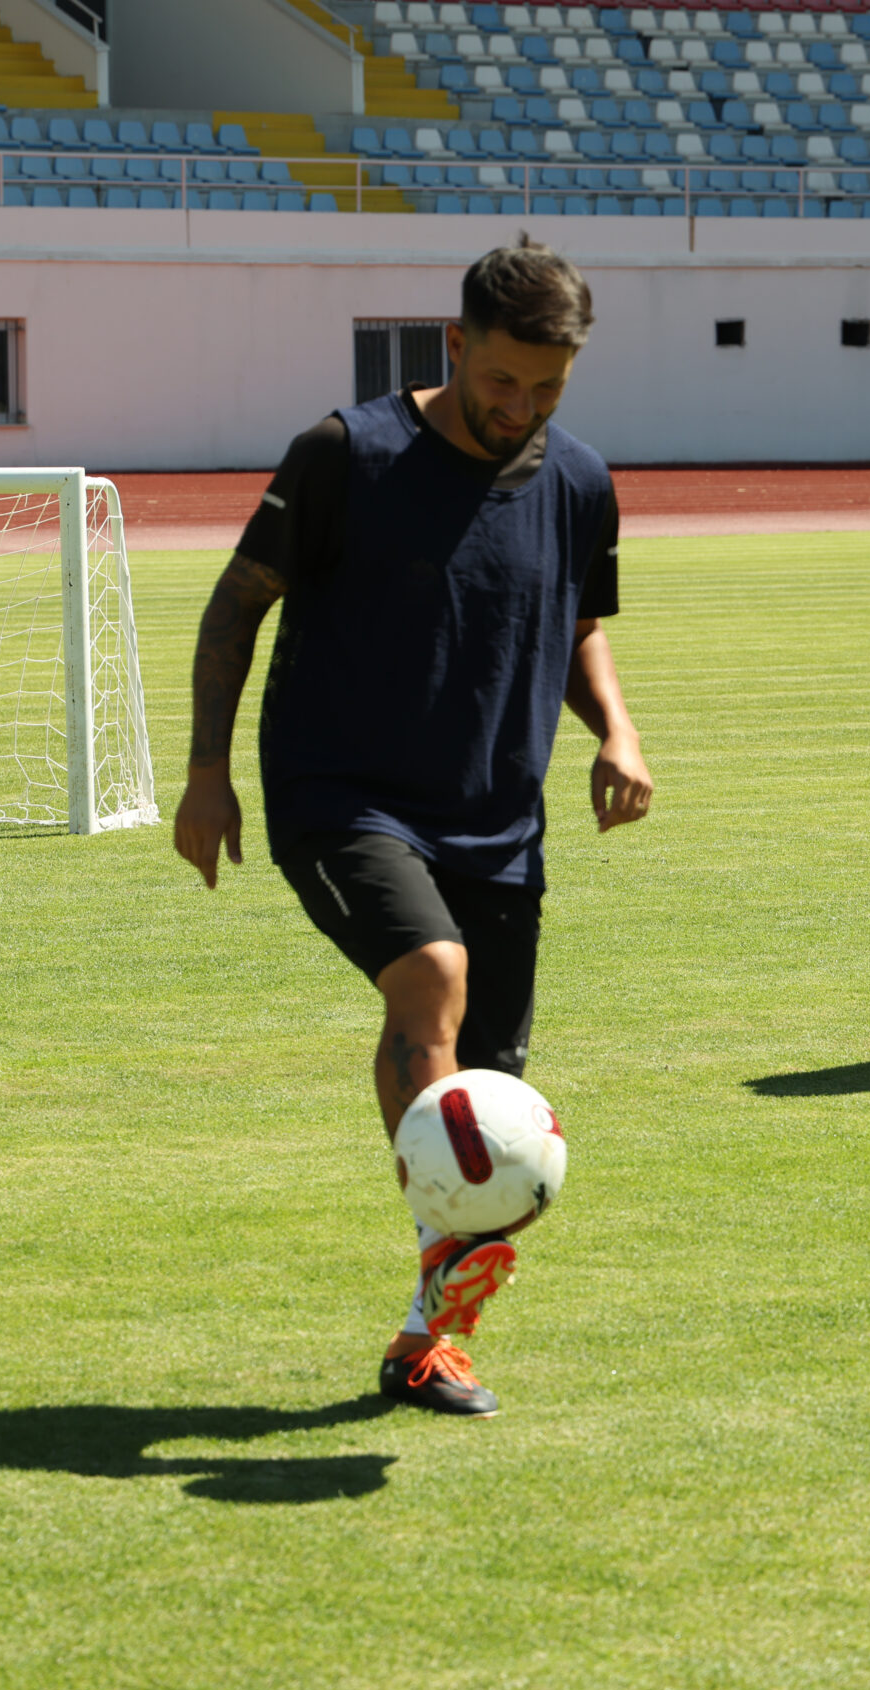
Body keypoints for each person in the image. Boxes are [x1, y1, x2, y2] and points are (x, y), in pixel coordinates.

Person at [173, 238, 652, 1417]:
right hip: (342, 797)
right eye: (501, 383)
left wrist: (618, 733)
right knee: (429, 980)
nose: (520, 409)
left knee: (490, 1101)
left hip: (497, 817)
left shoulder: (580, 479)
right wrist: (205, 772)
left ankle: (425, 1338)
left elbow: (578, 618)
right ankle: (443, 1272)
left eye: (546, 389)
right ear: (455, 346)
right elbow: (236, 604)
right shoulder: (349, 453)